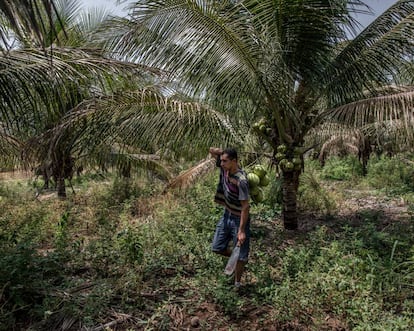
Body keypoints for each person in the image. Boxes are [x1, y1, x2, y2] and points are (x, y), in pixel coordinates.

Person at [209, 147, 250, 289]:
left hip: (239, 218)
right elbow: (212, 151)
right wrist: (219, 152)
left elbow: (245, 207)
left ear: (234, 161)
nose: (221, 163)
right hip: (227, 215)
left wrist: (242, 230)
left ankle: (237, 284)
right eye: (221, 161)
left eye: (225, 161)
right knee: (217, 247)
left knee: (241, 255)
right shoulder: (224, 170)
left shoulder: (241, 181)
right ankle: (238, 261)